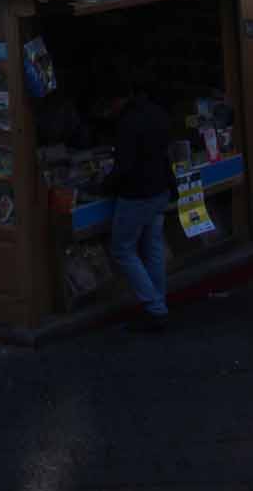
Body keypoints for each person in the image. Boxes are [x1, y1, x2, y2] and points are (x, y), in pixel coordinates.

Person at [106, 68, 174, 330]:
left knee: (123, 249)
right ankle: (159, 302)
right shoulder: (157, 113)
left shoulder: (127, 123)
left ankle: (154, 307)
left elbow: (125, 165)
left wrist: (104, 185)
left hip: (138, 194)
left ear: (118, 100)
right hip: (160, 189)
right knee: (153, 247)